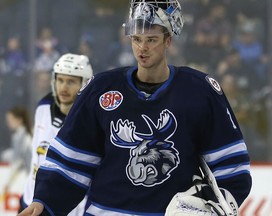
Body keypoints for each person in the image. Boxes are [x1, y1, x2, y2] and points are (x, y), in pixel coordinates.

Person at [18, 1, 252, 215]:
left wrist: (215, 206)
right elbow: (70, 161)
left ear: (168, 40)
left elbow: (231, 169)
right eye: (136, 39)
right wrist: (44, 202)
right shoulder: (101, 89)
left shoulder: (200, 92)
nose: (142, 48)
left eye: (151, 39)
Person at [18, 53, 93, 214]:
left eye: (71, 81)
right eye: (60, 80)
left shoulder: (92, 120)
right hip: (31, 202)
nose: (63, 87)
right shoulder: (43, 107)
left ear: (84, 84)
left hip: (66, 209)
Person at [1, 106, 33, 174]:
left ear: (19, 120)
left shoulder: (24, 136)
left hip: (32, 172)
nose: (8, 122)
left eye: (11, 119)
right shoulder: (18, 135)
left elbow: (17, 160)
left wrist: (6, 155)